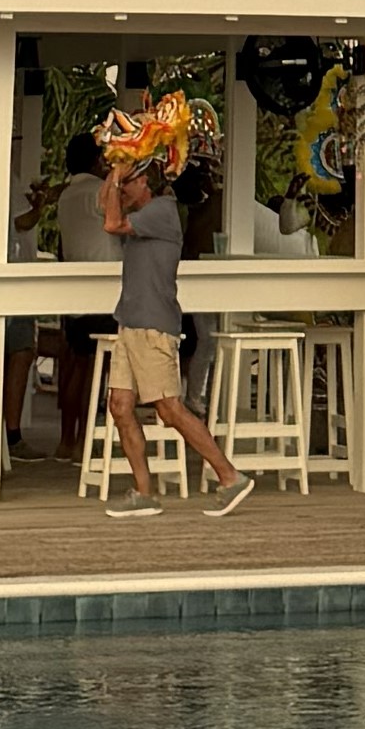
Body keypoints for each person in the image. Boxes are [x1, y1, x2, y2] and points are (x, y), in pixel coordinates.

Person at [96, 114, 255, 515]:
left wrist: (119, 172)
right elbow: (106, 208)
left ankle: (229, 476)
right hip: (131, 323)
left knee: (169, 409)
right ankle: (144, 492)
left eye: (129, 182)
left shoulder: (163, 211)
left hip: (154, 327)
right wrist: (118, 165)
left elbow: (111, 222)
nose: (122, 188)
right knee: (119, 405)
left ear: (145, 183)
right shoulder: (142, 211)